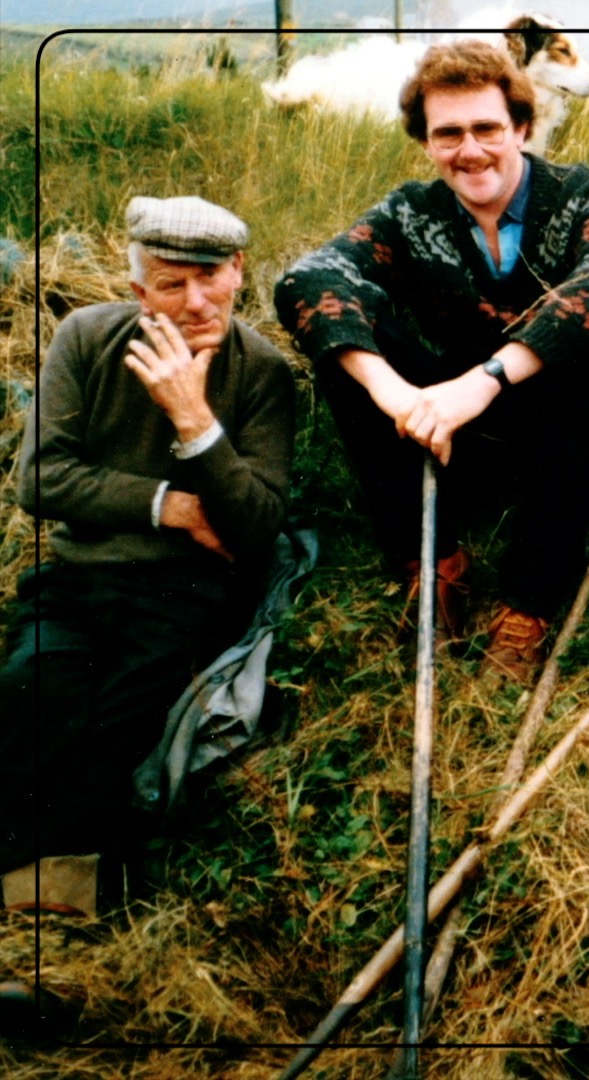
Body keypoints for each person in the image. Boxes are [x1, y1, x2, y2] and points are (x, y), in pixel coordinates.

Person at [274, 38, 589, 679]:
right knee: (347, 336)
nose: (470, 150)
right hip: (460, 432)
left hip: (573, 435)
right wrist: (390, 391)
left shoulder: (585, 194)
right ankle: (436, 560)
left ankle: (527, 600)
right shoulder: (411, 211)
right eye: (448, 134)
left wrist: (487, 379)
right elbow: (307, 279)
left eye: (486, 129)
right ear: (426, 142)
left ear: (521, 128)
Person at [1, 195, 294, 926]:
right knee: (35, 687)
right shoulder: (86, 338)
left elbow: (257, 527)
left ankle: (61, 898)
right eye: (171, 284)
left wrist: (194, 419)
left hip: (188, 591)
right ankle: (28, 881)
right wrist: (176, 505)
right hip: (77, 579)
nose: (196, 301)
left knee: (123, 719)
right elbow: (40, 478)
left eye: (211, 277)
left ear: (238, 270)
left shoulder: (261, 372)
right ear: (139, 290)